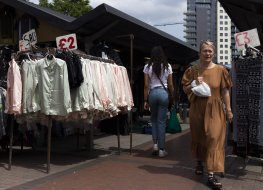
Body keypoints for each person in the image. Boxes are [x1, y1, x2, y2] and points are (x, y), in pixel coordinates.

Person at [181, 40, 233, 189]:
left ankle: (211, 174)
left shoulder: (221, 70)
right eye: (205, 50)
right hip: (197, 107)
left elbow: (225, 91)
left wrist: (229, 110)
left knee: (213, 137)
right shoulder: (193, 70)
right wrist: (193, 84)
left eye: (210, 51)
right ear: (200, 53)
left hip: (216, 108)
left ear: (214, 53)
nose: (207, 53)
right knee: (198, 136)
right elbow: (185, 90)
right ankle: (199, 161)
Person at [143, 45, 175, 158]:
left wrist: (145, 100)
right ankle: (162, 150)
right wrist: (172, 96)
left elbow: (146, 85)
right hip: (163, 94)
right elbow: (170, 85)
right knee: (161, 122)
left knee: (154, 121)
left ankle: (155, 145)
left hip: (152, 94)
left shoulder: (147, 66)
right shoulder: (167, 66)